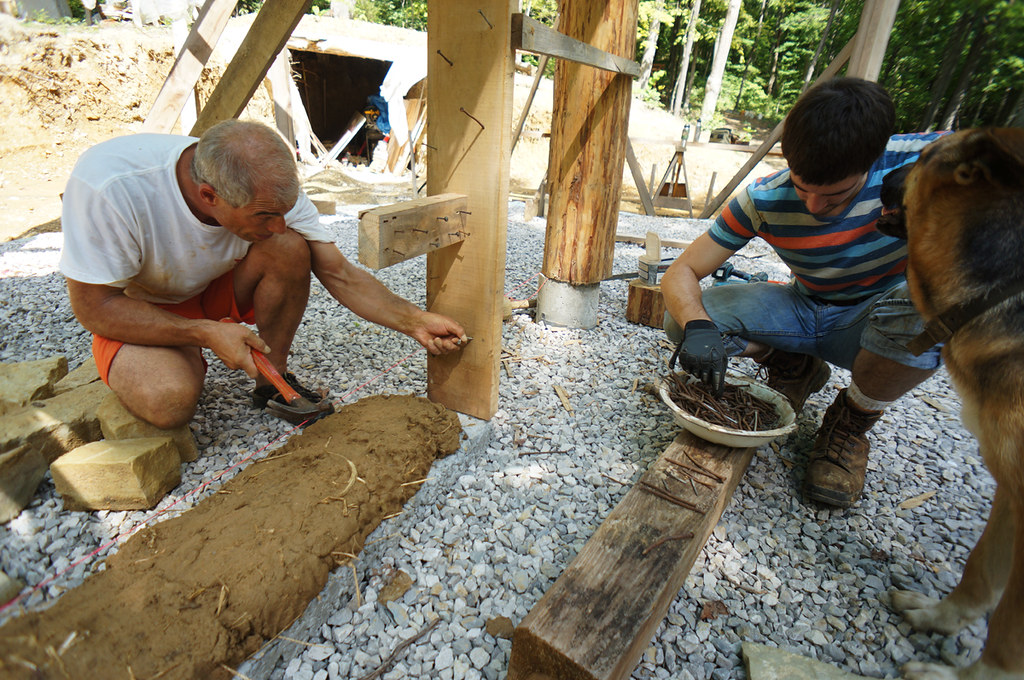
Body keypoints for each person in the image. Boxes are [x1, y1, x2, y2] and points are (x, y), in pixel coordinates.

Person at [59, 119, 467, 429]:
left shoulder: (268, 188)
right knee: (169, 404)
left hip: (213, 286)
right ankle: (182, 347)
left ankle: (273, 382)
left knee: (291, 247)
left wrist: (416, 321)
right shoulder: (111, 189)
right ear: (208, 196)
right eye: (265, 216)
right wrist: (203, 332)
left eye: (282, 212)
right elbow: (94, 306)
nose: (276, 224)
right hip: (140, 306)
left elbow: (340, 274)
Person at [661, 78, 946, 508]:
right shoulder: (764, 198)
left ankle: (851, 421)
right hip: (804, 306)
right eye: (802, 185)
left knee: (935, 298)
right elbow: (682, 270)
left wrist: (946, 198)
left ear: (874, 159)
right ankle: (795, 365)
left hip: (877, 322)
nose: (813, 207)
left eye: (833, 197)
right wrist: (699, 326)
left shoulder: (923, 162)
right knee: (679, 320)